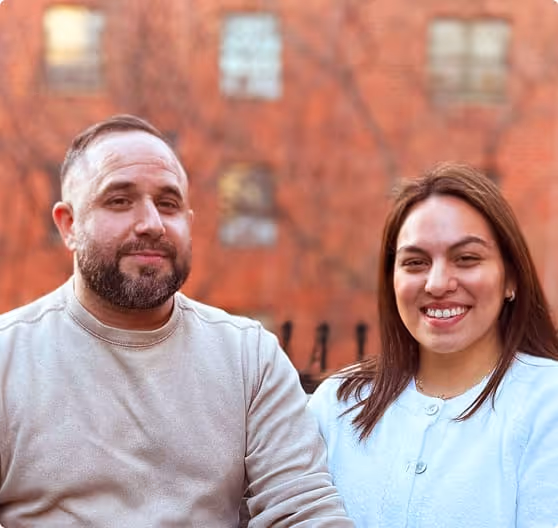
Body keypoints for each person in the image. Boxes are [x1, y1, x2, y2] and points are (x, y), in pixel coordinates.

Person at [0, 115, 354, 527]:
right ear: (69, 225)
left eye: (167, 204)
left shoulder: (248, 357)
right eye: (119, 200)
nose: (151, 223)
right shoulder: (8, 359)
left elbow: (301, 510)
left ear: (189, 221)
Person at [308, 163, 558, 527]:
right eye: (415, 262)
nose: (437, 283)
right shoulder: (336, 405)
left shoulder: (547, 403)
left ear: (511, 280)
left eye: (467, 258)